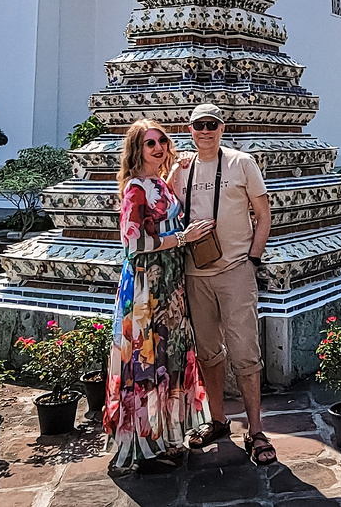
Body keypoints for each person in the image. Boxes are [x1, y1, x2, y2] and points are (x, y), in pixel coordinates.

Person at [170, 103, 276, 465]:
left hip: (235, 271)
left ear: (221, 127)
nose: (205, 131)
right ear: (190, 129)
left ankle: (256, 429)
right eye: (198, 125)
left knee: (246, 353)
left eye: (211, 124)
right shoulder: (181, 169)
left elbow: (263, 214)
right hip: (195, 274)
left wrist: (253, 258)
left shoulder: (241, 163)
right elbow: (162, 211)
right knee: (208, 353)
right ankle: (217, 420)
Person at [104, 119, 210, 473]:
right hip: (146, 287)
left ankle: (164, 436)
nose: (159, 148)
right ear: (138, 149)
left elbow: (163, 212)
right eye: (151, 144)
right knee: (146, 361)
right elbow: (133, 242)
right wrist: (182, 239)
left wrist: (176, 172)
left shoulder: (156, 185)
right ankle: (143, 444)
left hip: (169, 284)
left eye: (162, 141)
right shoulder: (135, 188)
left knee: (168, 356)